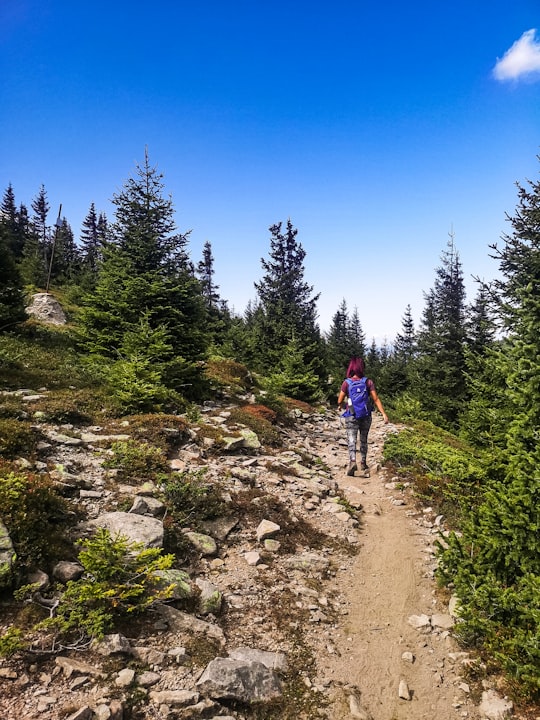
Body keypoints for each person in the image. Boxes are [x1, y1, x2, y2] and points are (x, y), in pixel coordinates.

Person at [337, 356, 389, 476]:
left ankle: (352, 461)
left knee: (351, 439)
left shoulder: (347, 382)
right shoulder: (368, 382)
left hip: (351, 414)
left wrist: (341, 405)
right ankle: (363, 462)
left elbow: (340, 399)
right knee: (363, 439)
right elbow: (375, 399)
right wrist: (384, 414)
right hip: (366, 415)